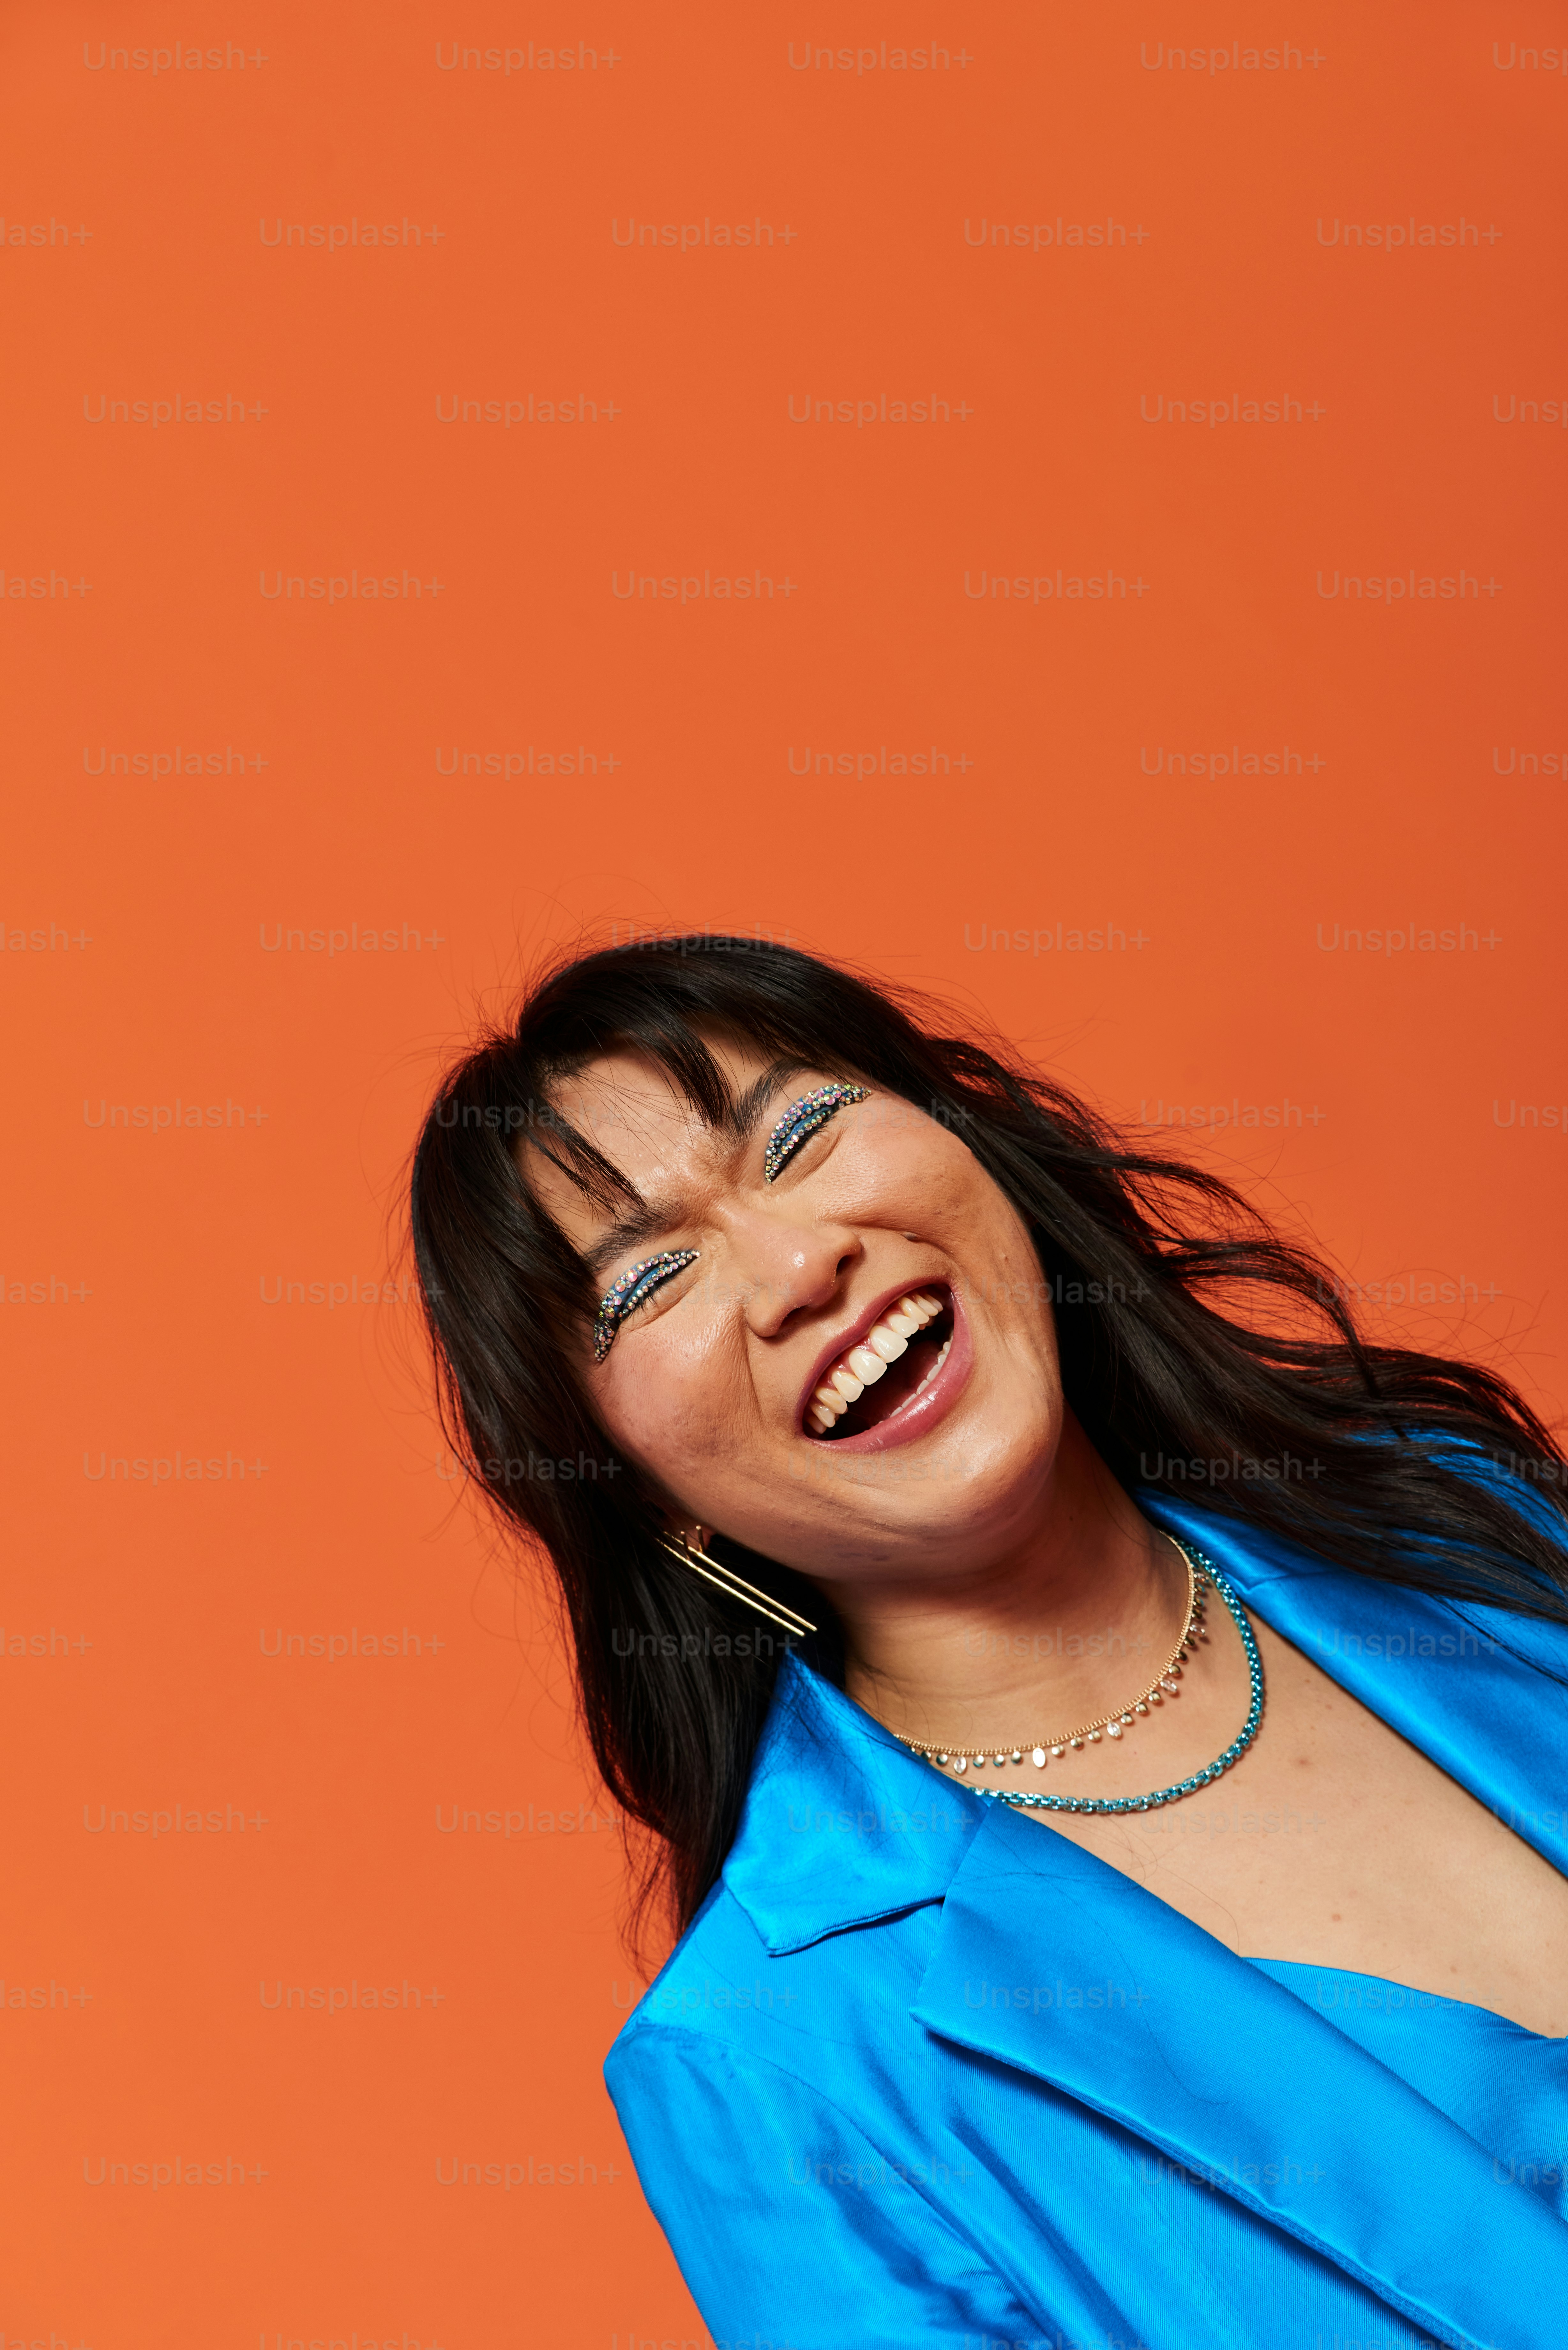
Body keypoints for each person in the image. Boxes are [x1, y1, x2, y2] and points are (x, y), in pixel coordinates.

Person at [410, 935, 1568, 2348]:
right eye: (651, 1281)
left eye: (801, 1134)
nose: (799, 1264)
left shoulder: (1458, 1520)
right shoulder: (773, 2072)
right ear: (644, 1496)